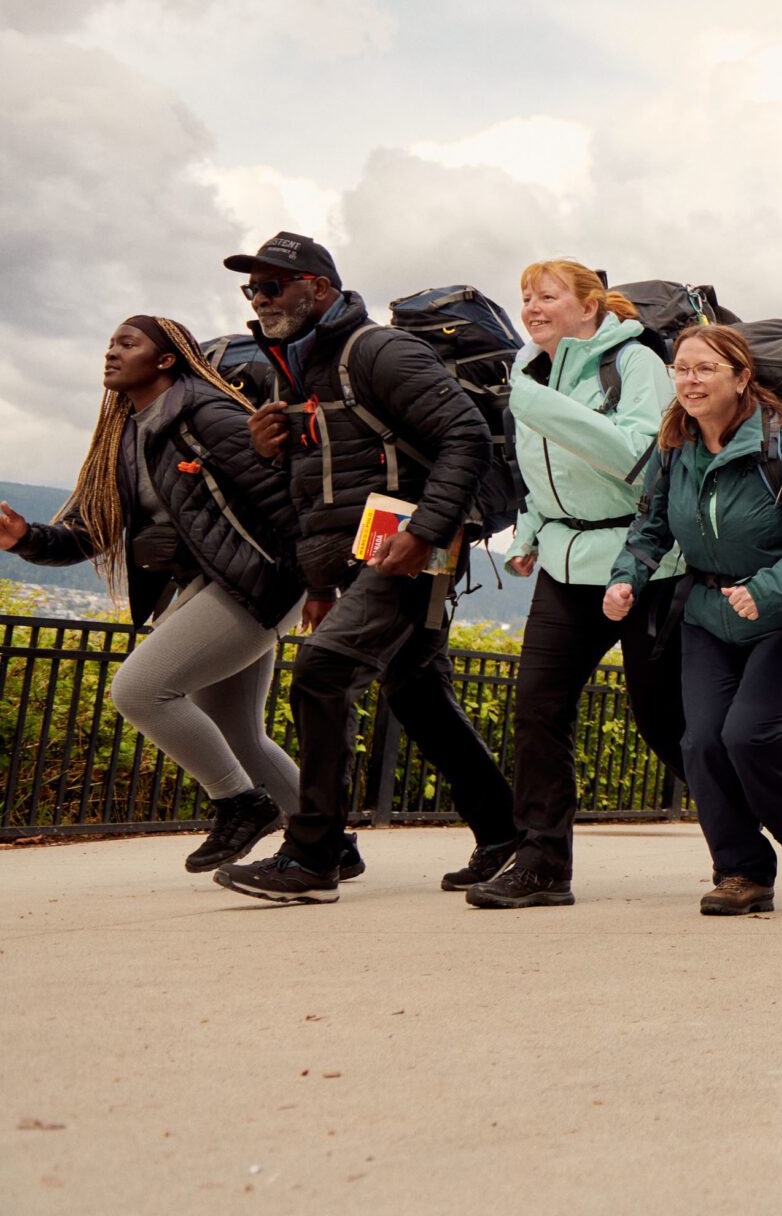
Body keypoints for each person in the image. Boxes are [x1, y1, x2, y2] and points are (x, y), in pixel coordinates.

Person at [211, 234, 520, 904]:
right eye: (252, 290)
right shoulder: (292, 369)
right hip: (364, 551)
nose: (259, 300)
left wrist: (424, 532)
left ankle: (316, 853)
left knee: (322, 673)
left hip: (410, 542)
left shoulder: (377, 350)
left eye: (273, 286)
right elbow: (318, 491)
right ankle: (505, 833)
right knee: (417, 692)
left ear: (318, 288)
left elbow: (463, 435)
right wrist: (319, 579)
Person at [0, 316, 303, 873]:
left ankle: (240, 804)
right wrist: (25, 539)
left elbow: (281, 499)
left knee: (140, 690)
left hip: (256, 581)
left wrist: (323, 582)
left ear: (166, 360)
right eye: (110, 343)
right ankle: (326, 843)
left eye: (127, 343)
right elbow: (92, 533)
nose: (111, 352)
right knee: (240, 733)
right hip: (206, 586)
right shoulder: (126, 435)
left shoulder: (206, 415)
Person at [464, 260, 687, 909]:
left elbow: (638, 461)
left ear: (589, 306)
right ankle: (541, 863)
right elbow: (542, 473)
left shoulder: (635, 362)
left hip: (642, 561)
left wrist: (540, 406)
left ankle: (776, 818)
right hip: (564, 564)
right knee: (538, 706)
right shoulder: (535, 374)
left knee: (664, 723)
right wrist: (529, 531)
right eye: (525, 296)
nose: (532, 306)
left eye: (548, 295)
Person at [608, 323, 782, 917]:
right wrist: (624, 579)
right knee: (702, 742)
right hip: (708, 616)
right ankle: (741, 871)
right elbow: (651, 527)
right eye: (681, 369)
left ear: (741, 378)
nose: (689, 380)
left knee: (748, 733)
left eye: (705, 368)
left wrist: (765, 590)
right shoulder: (676, 446)